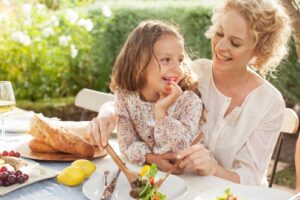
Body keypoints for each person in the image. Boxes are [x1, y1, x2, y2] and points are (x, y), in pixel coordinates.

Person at [90, 0, 291, 185]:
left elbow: (252, 178)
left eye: (235, 43)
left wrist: (213, 168)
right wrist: (108, 113)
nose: (220, 47)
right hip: (185, 188)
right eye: (219, 33)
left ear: (259, 50)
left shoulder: (269, 103)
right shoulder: (194, 72)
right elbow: (139, 95)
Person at [92, 20, 204, 171]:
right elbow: (127, 145)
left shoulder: (189, 102)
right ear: (139, 62)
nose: (178, 69)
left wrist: (162, 114)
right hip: (148, 177)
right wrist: (151, 159)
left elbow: (181, 148)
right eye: (166, 60)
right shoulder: (125, 97)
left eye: (180, 60)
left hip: (192, 182)